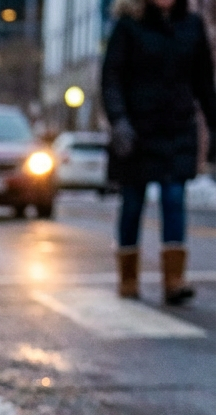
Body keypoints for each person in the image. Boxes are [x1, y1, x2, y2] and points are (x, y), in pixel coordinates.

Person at [102, 0, 216, 304]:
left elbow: (204, 83)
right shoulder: (128, 26)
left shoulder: (192, 26)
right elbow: (111, 78)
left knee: (174, 198)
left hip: (177, 129)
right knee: (132, 203)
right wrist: (119, 121)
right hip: (137, 132)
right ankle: (128, 279)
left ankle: (174, 281)